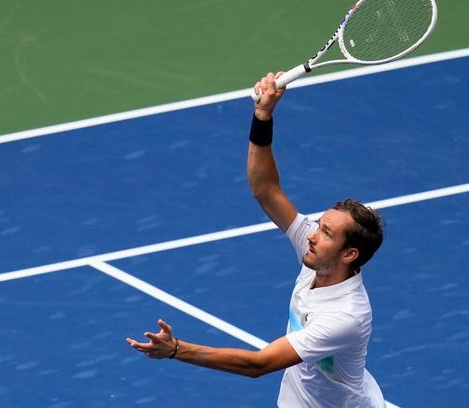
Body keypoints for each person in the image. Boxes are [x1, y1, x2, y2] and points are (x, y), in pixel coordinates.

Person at [126, 72, 386, 408]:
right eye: (319, 225)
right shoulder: (318, 257)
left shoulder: (345, 317)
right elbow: (266, 190)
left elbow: (258, 365)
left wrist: (177, 349)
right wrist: (263, 117)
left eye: (326, 233)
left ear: (349, 254)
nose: (311, 234)